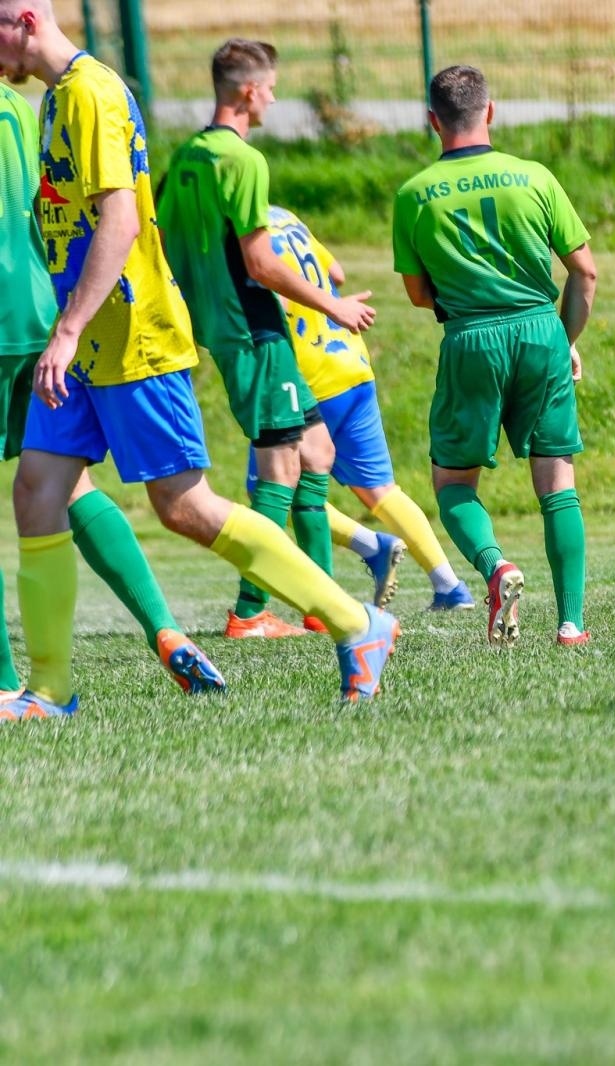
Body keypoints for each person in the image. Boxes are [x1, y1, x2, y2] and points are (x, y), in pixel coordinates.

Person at [0, 2, 397, 715]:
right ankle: (50, 691)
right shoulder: (55, 99)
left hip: (133, 334)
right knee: (35, 492)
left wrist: (67, 329)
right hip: (85, 341)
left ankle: (356, 622)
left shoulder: (92, 91)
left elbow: (120, 219)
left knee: (184, 507)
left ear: (24, 20)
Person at [0, 78, 225, 707]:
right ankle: (165, 630)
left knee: (68, 487)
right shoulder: (29, 107)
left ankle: (7, 682)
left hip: (17, 321)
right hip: (49, 315)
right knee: (59, 483)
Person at [156, 39, 365, 639]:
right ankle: (250, 612)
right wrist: (334, 305)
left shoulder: (189, 156)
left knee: (316, 452)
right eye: (270, 87)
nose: (274, 97)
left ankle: (320, 606)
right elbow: (261, 263)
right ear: (249, 91)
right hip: (252, 328)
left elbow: (163, 245)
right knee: (279, 469)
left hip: (223, 328)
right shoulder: (243, 161)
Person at [393, 65, 596, 647]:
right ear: (492, 112)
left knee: (453, 482)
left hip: (471, 337)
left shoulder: (413, 194)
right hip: (540, 332)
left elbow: (416, 293)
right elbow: (584, 270)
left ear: (434, 122)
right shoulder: (534, 177)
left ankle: (495, 566)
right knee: (557, 481)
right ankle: (571, 622)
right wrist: (566, 342)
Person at [238, 204, 475, 624]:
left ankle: (371, 547)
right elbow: (338, 273)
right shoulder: (284, 215)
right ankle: (449, 585)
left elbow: (260, 279)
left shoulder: (241, 234)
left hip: (303, 371)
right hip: (349, 358)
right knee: (381, 490)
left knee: (270, 486)